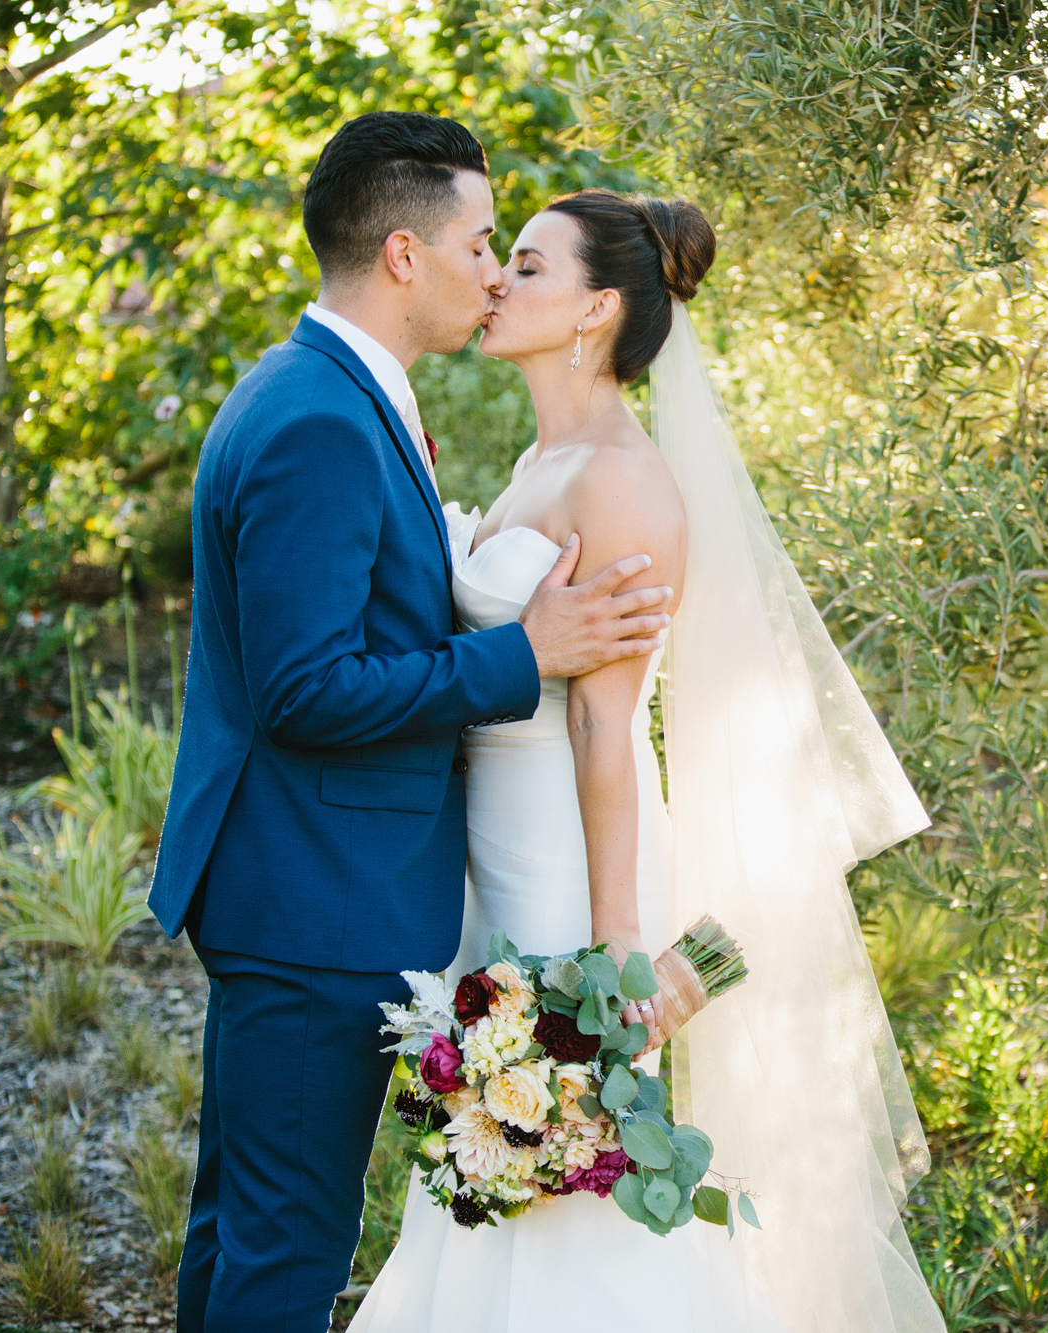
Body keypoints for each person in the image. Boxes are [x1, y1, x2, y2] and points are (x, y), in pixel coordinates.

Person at [347, 190, 945, 1333]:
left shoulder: (616, 477)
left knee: (574, 1179)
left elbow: (602, 726)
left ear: (596, 308)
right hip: (499, 858)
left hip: (575, 866)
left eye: (524, 266)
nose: (494, 283)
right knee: (502, 1172)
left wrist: (614, 945)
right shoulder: (541, 459)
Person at [146, 113, 674, 1333]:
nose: (493, 271)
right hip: (312, 902)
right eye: (484, 242)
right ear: (402, 254)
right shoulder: (324, 420)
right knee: (280, 1250)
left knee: (243, 1229)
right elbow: (305, 688)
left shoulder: (324, 392)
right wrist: (523, 652)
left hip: (312, 890)